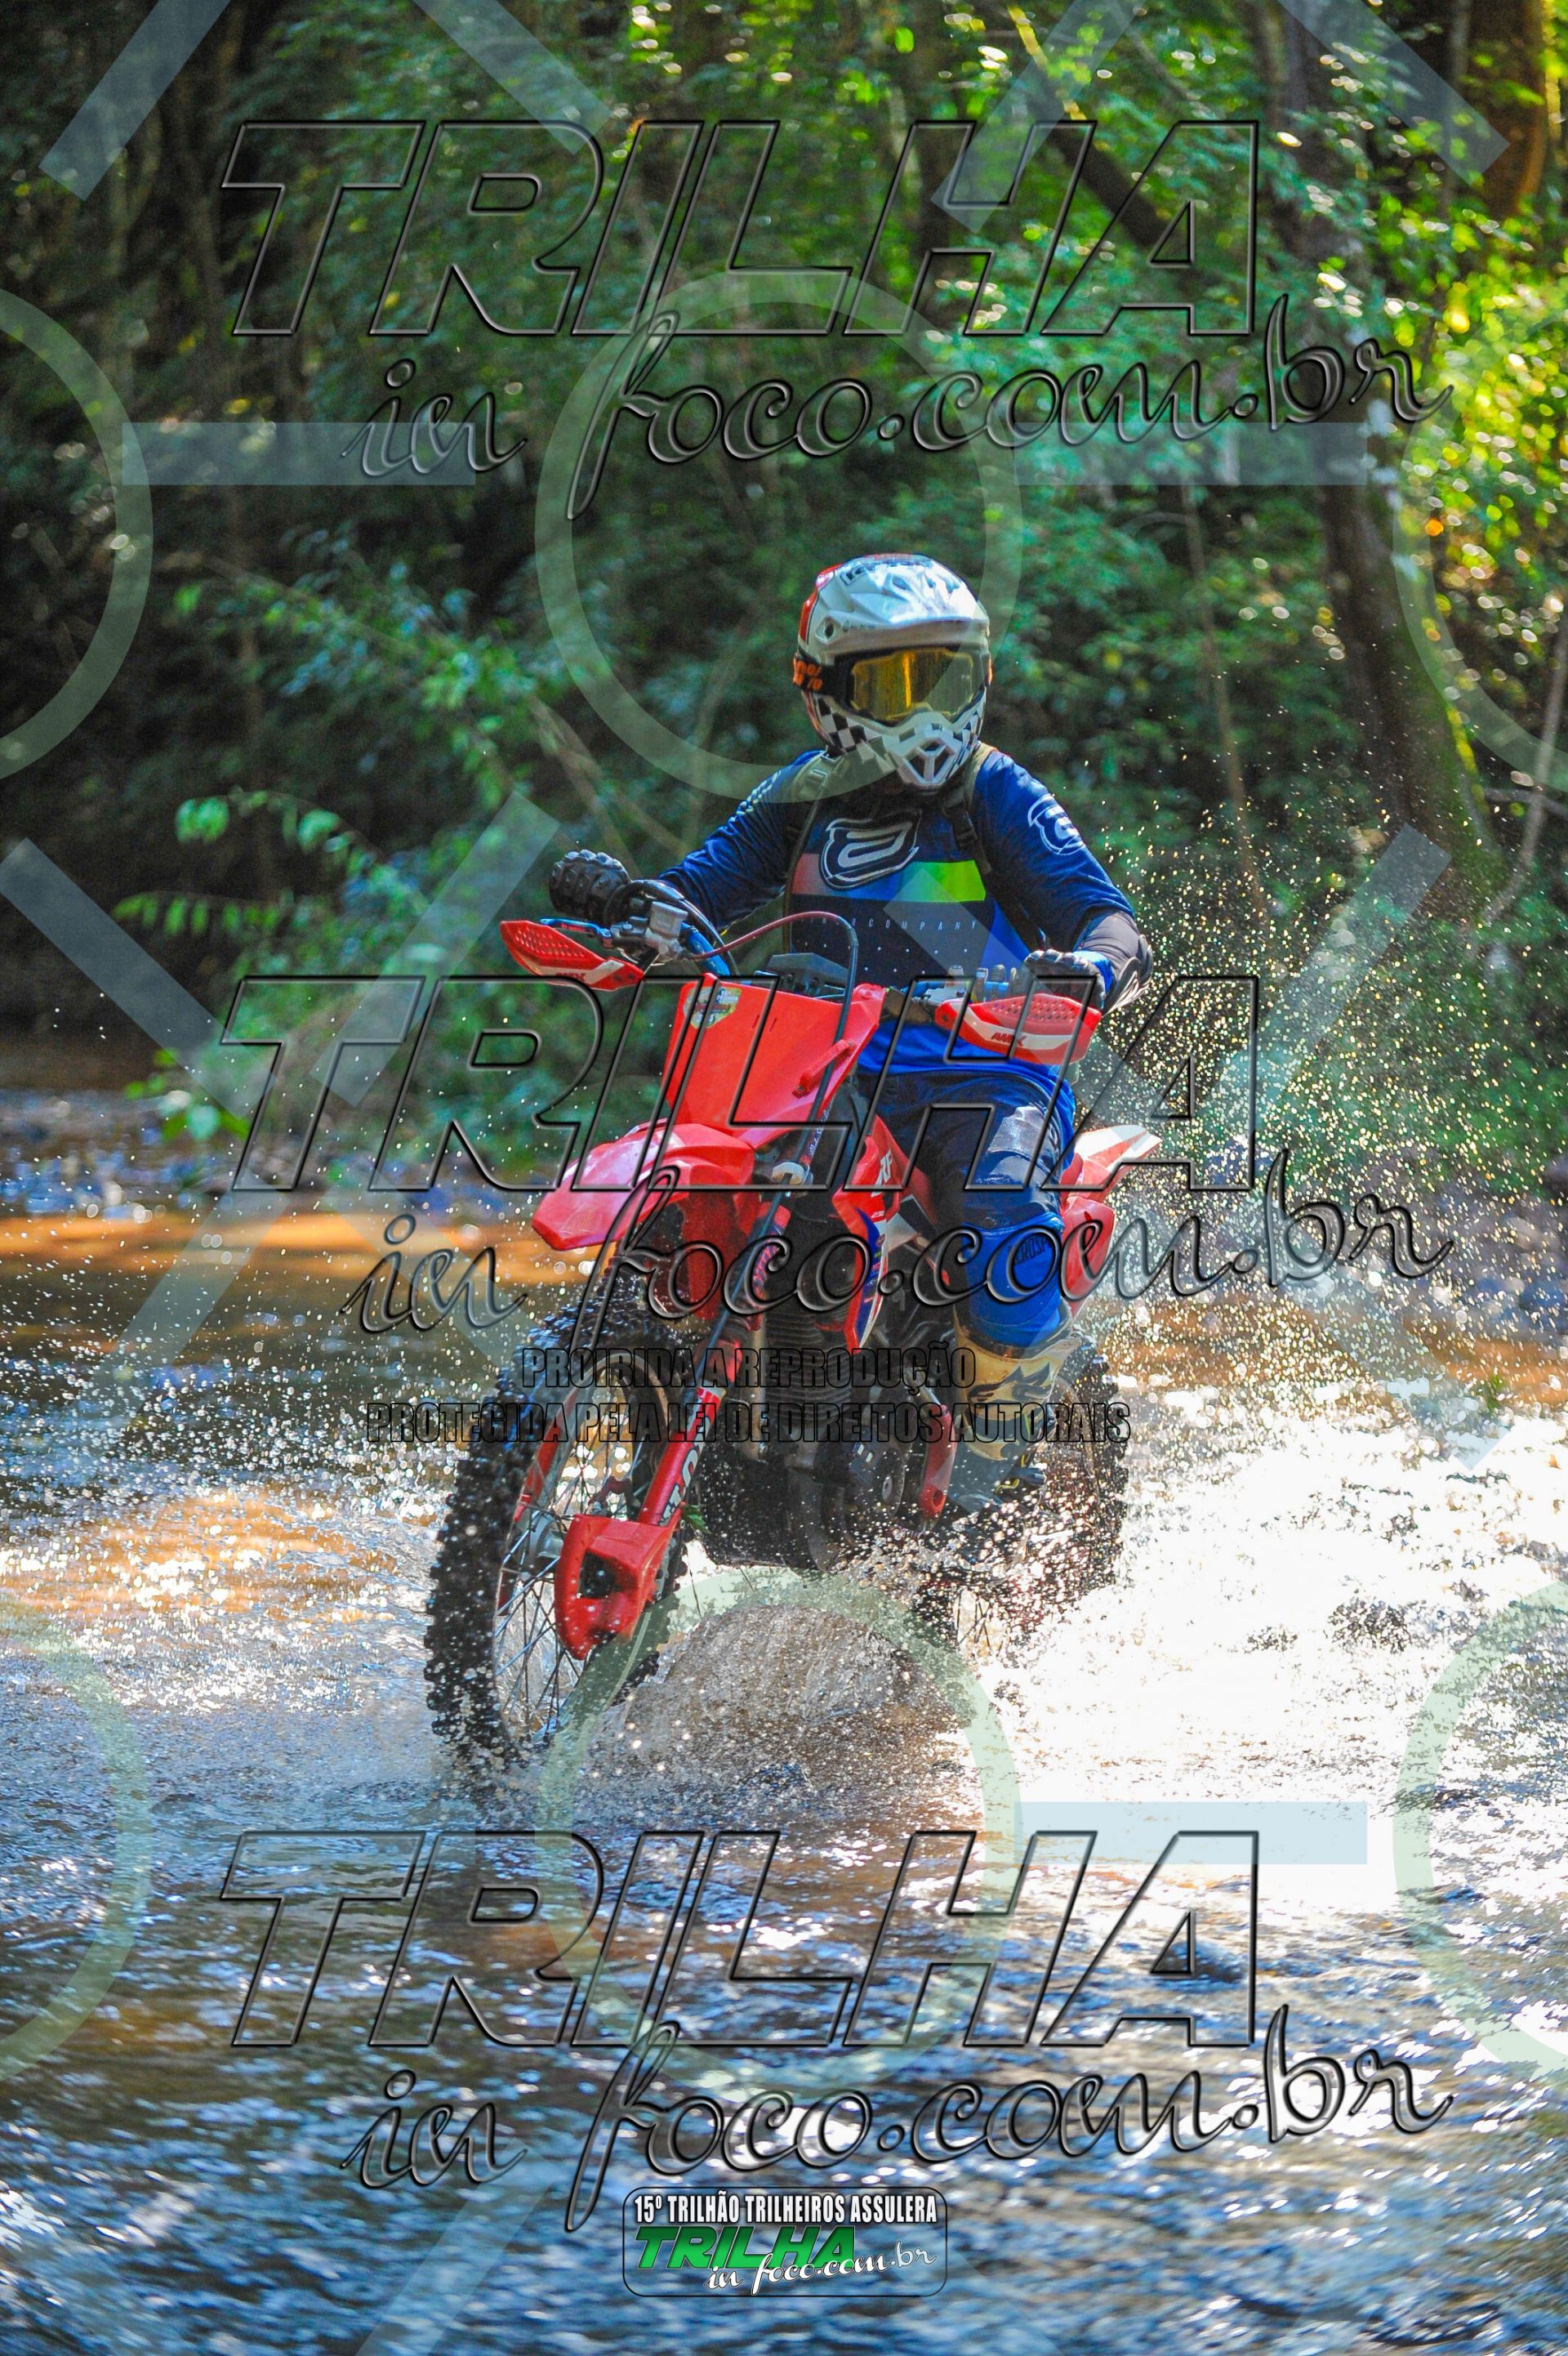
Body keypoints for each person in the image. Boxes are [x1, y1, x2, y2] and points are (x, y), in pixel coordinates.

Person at [549, 551, 1152, 1504]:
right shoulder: (797, 796)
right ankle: (677, 1408)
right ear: (824, 689)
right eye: (893, 683)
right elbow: (702, 889)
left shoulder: (993, 790)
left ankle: (997, 1466)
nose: (925, 710)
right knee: (683, 1205)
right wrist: (637, 908)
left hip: (984, 1068)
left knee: (1001, 1210)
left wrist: (1093, 965)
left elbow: (1104, 915)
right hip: (820, 1068)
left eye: (943, 677)